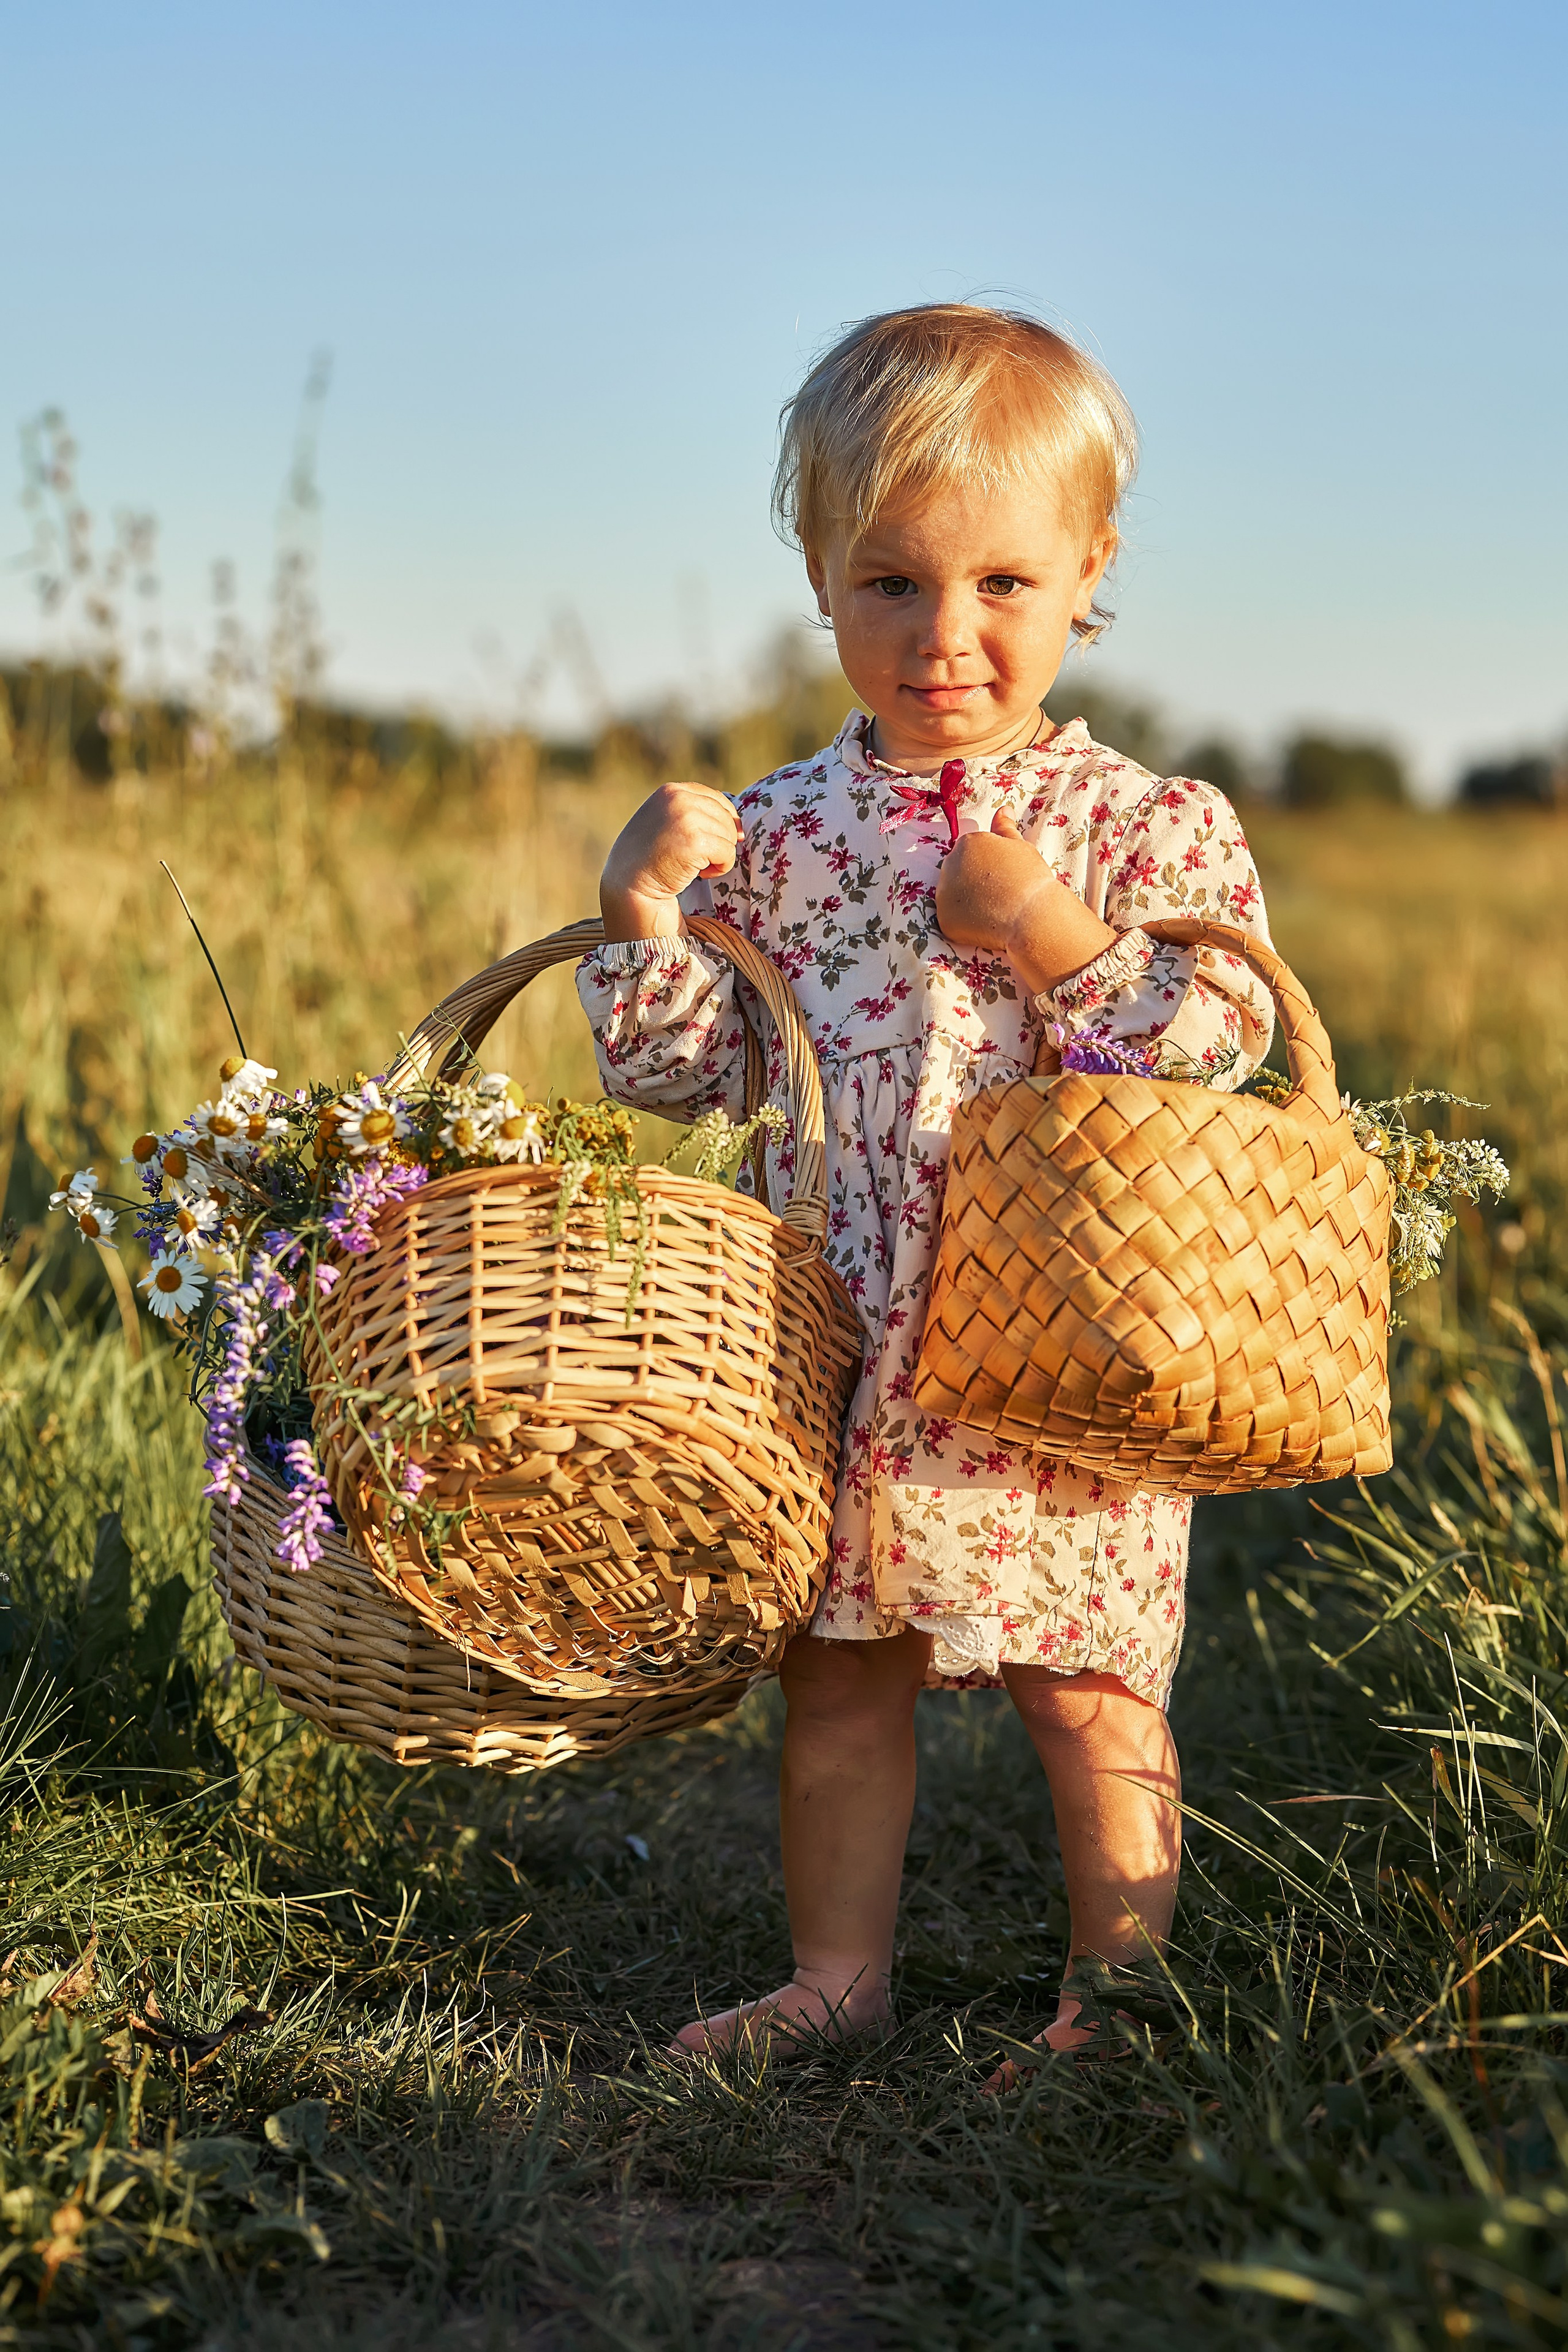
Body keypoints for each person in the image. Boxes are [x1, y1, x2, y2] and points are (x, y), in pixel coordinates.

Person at [576, 303, 1274, 2078]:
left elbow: (1221, 1039)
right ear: (818, 570)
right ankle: (835, 1978)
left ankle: (1117, 1999)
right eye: (889, 581)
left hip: (1070, 1330)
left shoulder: (1146, 825)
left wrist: (1047, 929)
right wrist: (644, 915)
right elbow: (685, 1073)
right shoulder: (782, 831)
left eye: (1003, 587)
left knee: (1092, 1679)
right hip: (851, 1325)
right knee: (841, 1674)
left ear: (1089, 571)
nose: (944, 635)